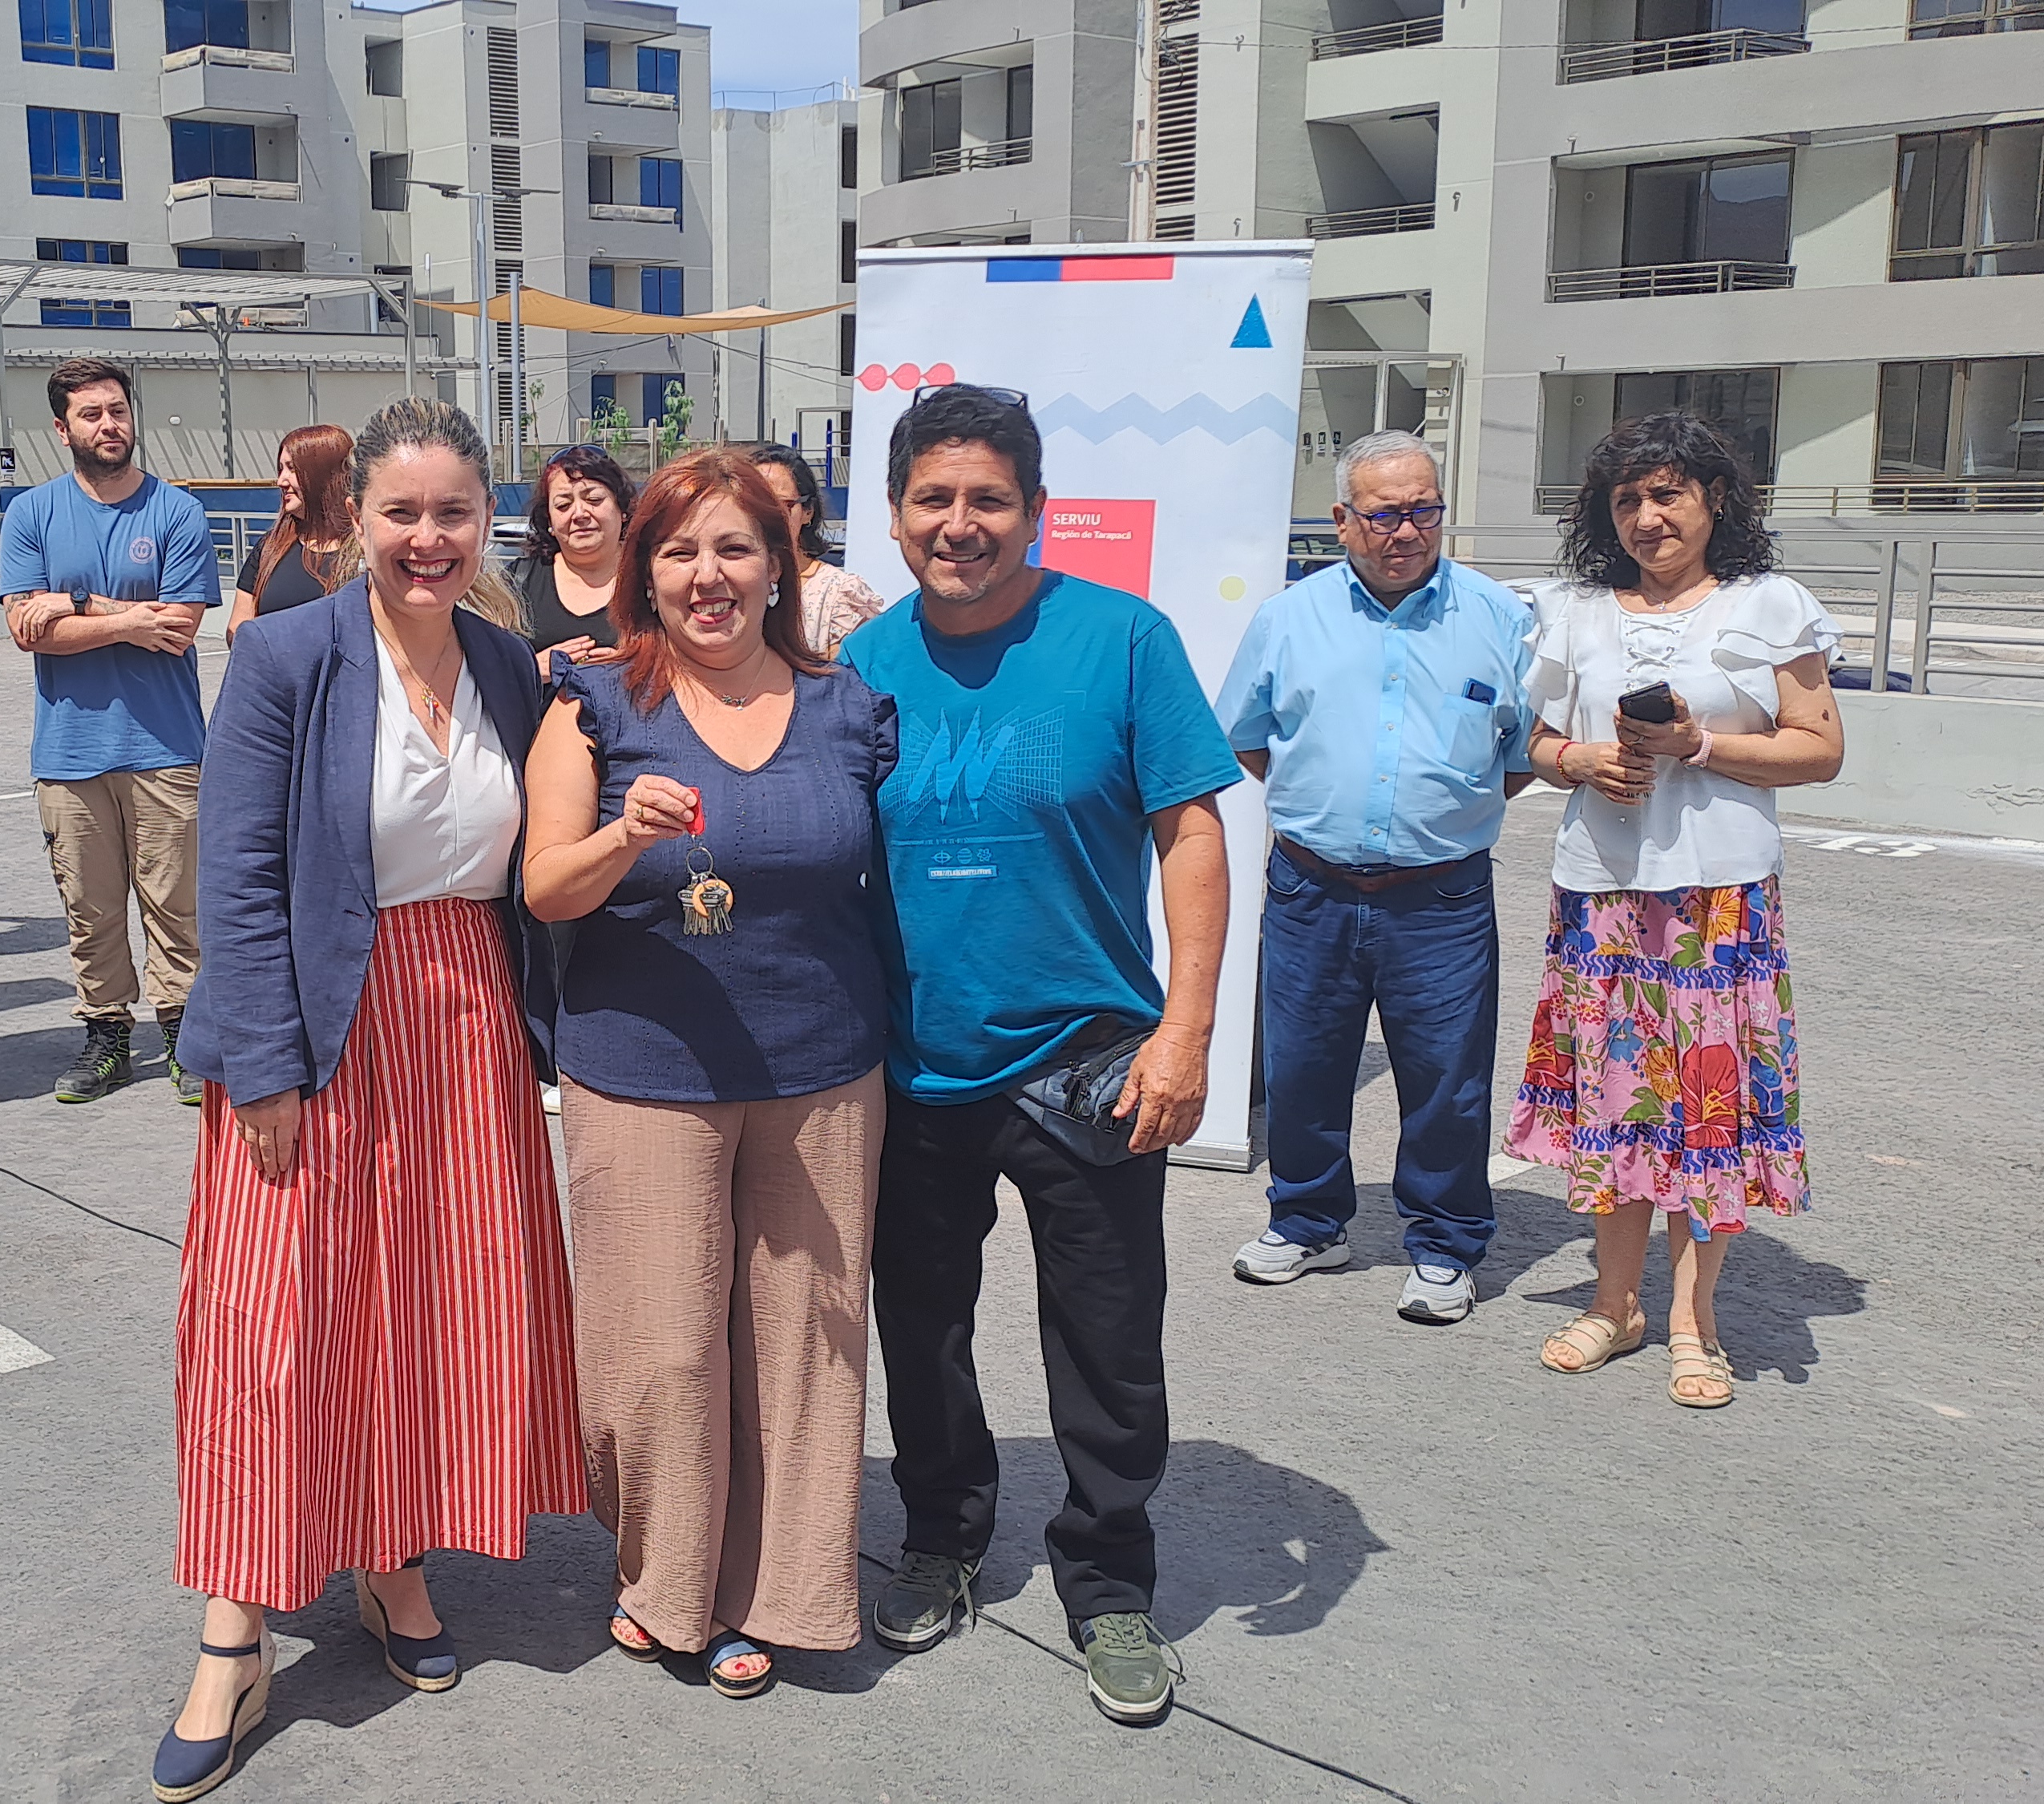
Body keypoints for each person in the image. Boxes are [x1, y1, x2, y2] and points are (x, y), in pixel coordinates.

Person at [156, 398, 584, 1802]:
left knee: (422, 1310)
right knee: (274, 1326)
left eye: (454, 513)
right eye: (402, 512)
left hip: (463, 1026)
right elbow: (237, 872)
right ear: (359, 520)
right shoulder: (288, 654)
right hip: (323, 1019)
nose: (428, 538)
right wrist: (263, 1064)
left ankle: (394, 1561)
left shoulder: (508, 662)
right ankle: (232, 1634)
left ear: (486, 523)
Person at [837, 385, 1239, 1729]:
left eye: (988, 499)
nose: (961, 524)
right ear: (895, 513)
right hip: (914, 1065)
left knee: (1109, 1342)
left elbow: (1191, 834)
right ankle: (941, 1537)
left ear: (1035, 510)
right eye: (934, 499)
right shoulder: (862, 667)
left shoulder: (1122, 640)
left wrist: (1186, 1032)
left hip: (1090, 1062)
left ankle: (1110, 1578)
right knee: (922, 1332)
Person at [523, 450, 895, 1699]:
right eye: (680, 551)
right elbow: (543, 886)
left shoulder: (849, 704)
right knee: (663, 1349)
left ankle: (778, 1591)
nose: (709, 574)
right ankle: (666, 1578)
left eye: (736, 547)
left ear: (780, 564)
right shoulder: (594, 702)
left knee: (804, 1347)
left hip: (822, 1069)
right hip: (645, 1069)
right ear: (645, 572)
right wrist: (622, 835)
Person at [1509, 411, 1844, 1410]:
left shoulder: (1768, 604)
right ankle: (1614, 1306)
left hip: (1718, 902)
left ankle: (1695, 1324)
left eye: (1667, 494)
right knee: (1619, 1103)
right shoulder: (1573, 612)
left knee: (1707, 1113)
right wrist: (1581, 759)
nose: (1647, 517)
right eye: (1627, 500)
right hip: (1601, 895)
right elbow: (1536, 744)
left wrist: (1697, 746)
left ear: (1715, 500)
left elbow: (1819, 748)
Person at [1217, 431, 1535, 1324]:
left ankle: (1444, 1246)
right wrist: (1327, 806)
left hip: (1441, 897)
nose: (1406, 531)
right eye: (1385, 514)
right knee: (1303, 1068)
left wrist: (1441, 815)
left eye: (1424, 511)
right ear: (1342, 520)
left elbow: (1520, 754)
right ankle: (1308, 1222)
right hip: (1310, 888)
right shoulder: (1288, 618)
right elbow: (1247, 737)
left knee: (1446, 1081)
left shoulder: (1498, 617)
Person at [0, 357, 224, 1107]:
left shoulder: (176, 513)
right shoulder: (31, 514)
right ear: (62, 429)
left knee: (177, 906)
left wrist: (74, 605)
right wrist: (129, 619)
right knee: (89, 909)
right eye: (91, 414)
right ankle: (106, 1036)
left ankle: (186, 1036)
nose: (109, 425)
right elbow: (27, 631)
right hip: (70, 751)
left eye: (118, 410)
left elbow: (179, 628)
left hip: (166, 747)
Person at [503, 443, 634, 674]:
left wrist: (636, 668)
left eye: (594, 500)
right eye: (563, 505)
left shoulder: (653, 578)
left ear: (622, 508)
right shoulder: (516, 583)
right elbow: (480, 669)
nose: (580, 514)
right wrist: (531, 670)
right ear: (549, 521)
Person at [747, 442, 887, 655]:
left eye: (782, 505)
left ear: (808, 512)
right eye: (753, 504)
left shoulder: (838, 595)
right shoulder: (723, 584)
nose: (766, 516)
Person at [225, 425, 354, 630]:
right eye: (281, 469)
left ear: (324, 474)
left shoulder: (364, 550)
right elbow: (237, 628)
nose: (281, 481)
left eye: (292, 469)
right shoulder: (270, 547)